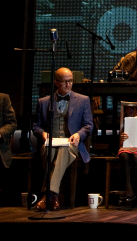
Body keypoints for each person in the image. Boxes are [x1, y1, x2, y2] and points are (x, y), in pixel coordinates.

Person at [32, 67, 94, 211]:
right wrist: (42, 134)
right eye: (64, 82)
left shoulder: (83, 100)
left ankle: (48, 195)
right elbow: (36, 126)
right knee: (49, 152)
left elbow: (89, 125)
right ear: (56, 83)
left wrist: (79, 134)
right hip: (51, 142)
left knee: (63, 151)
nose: (68, 85)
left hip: (71, 143)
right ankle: (54, 196)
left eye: (70, 81)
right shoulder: (44, 102)